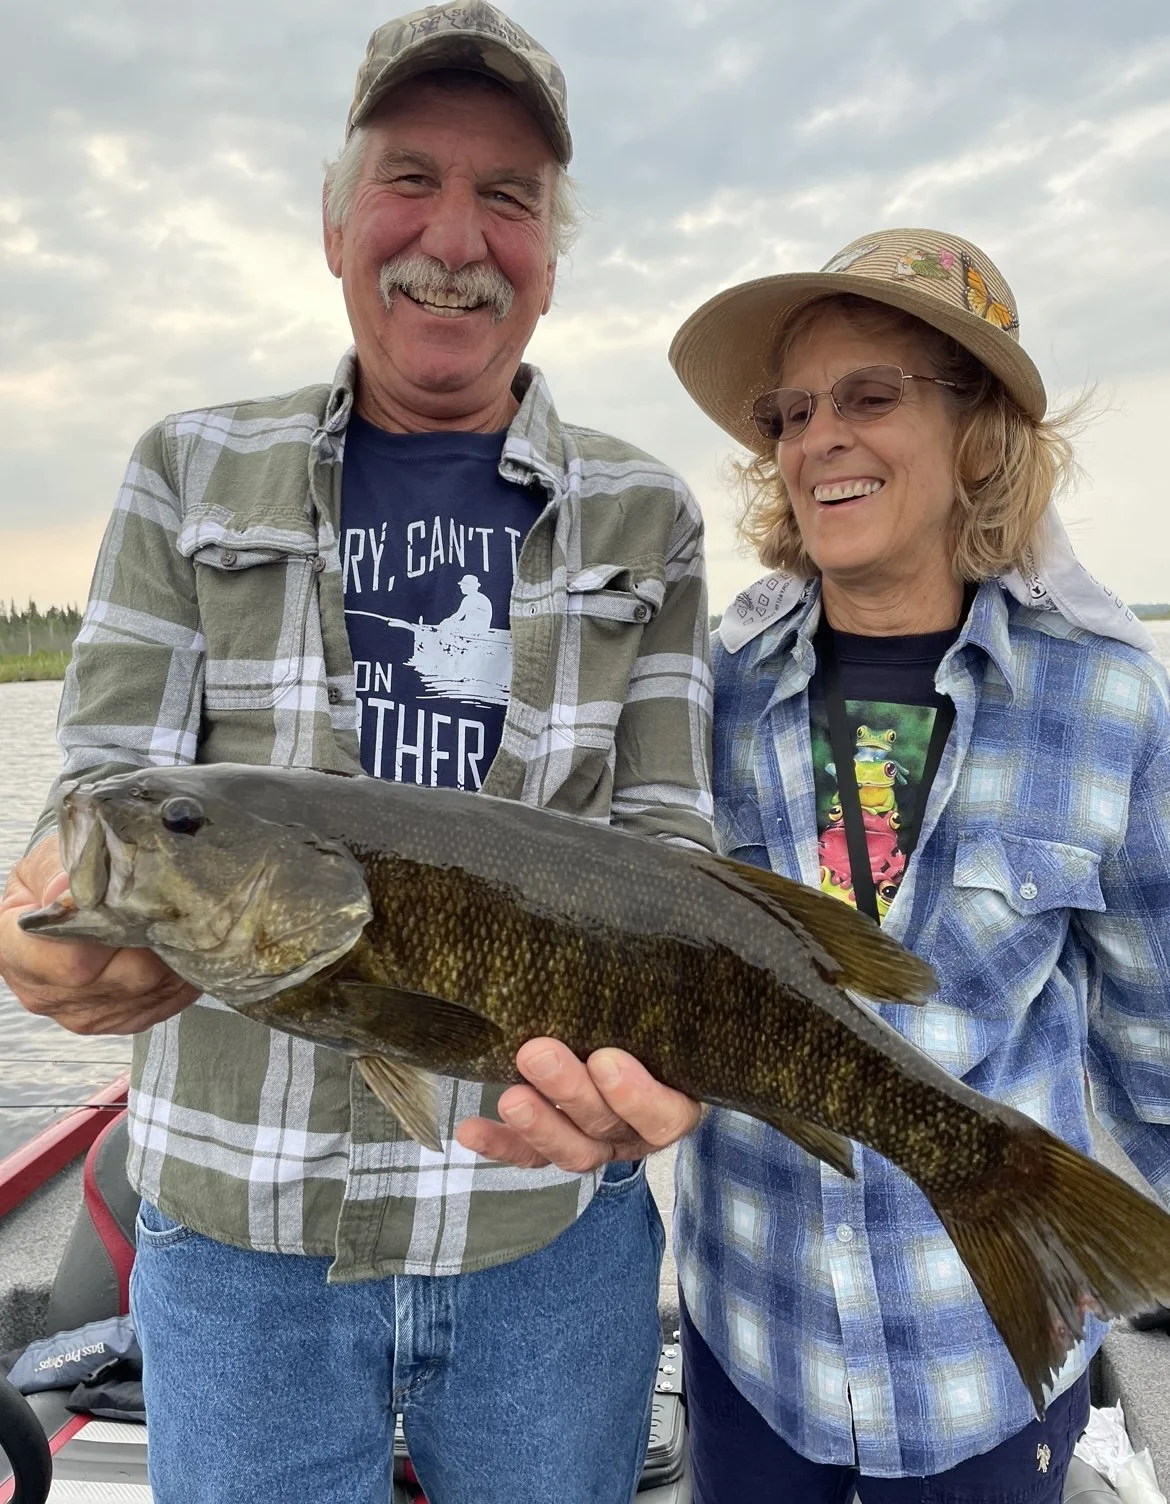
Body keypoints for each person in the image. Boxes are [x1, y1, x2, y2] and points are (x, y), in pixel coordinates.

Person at [0, 6, 712, 1501]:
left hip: (545, 1244)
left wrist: (667, 1073)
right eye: (409, 179)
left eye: (507, 196)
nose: (453, 235)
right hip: (237, 1247)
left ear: (550, 254)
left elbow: (673, 854)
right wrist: (46, 921)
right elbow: (103, 791)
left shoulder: (649, 517)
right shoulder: (184, 470)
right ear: (334, 222)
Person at [658, 228, 1170, 1500]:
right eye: (792, 411)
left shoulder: (1109, 699)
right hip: (755, 1327)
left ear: (979, 433)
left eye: (871, 395)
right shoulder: (702, 693)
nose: (819, 435)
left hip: (987, 1350)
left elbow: (1156, 1048)